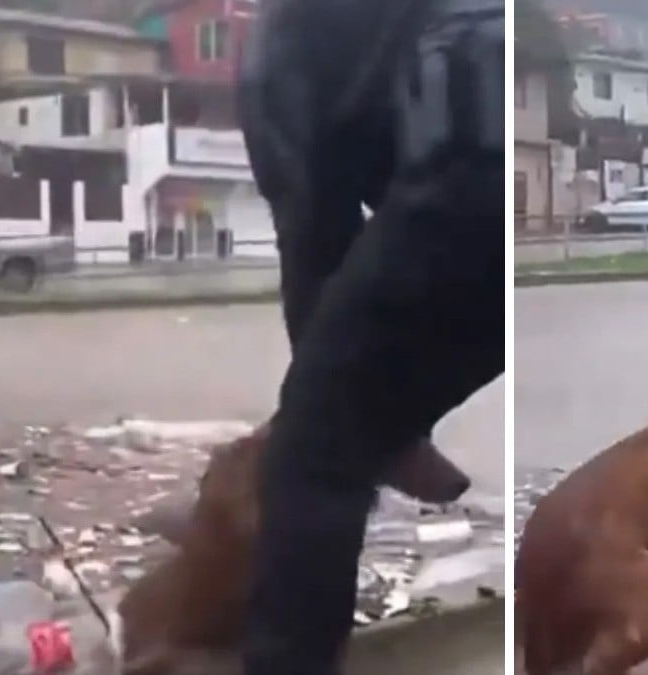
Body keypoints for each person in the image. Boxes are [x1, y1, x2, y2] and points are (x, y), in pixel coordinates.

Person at [236, 0, 504, 673]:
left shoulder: (273, 51)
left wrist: (328, 416)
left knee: (312, 454)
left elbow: (314, 242)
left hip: (467, 156)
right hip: (512, 158)